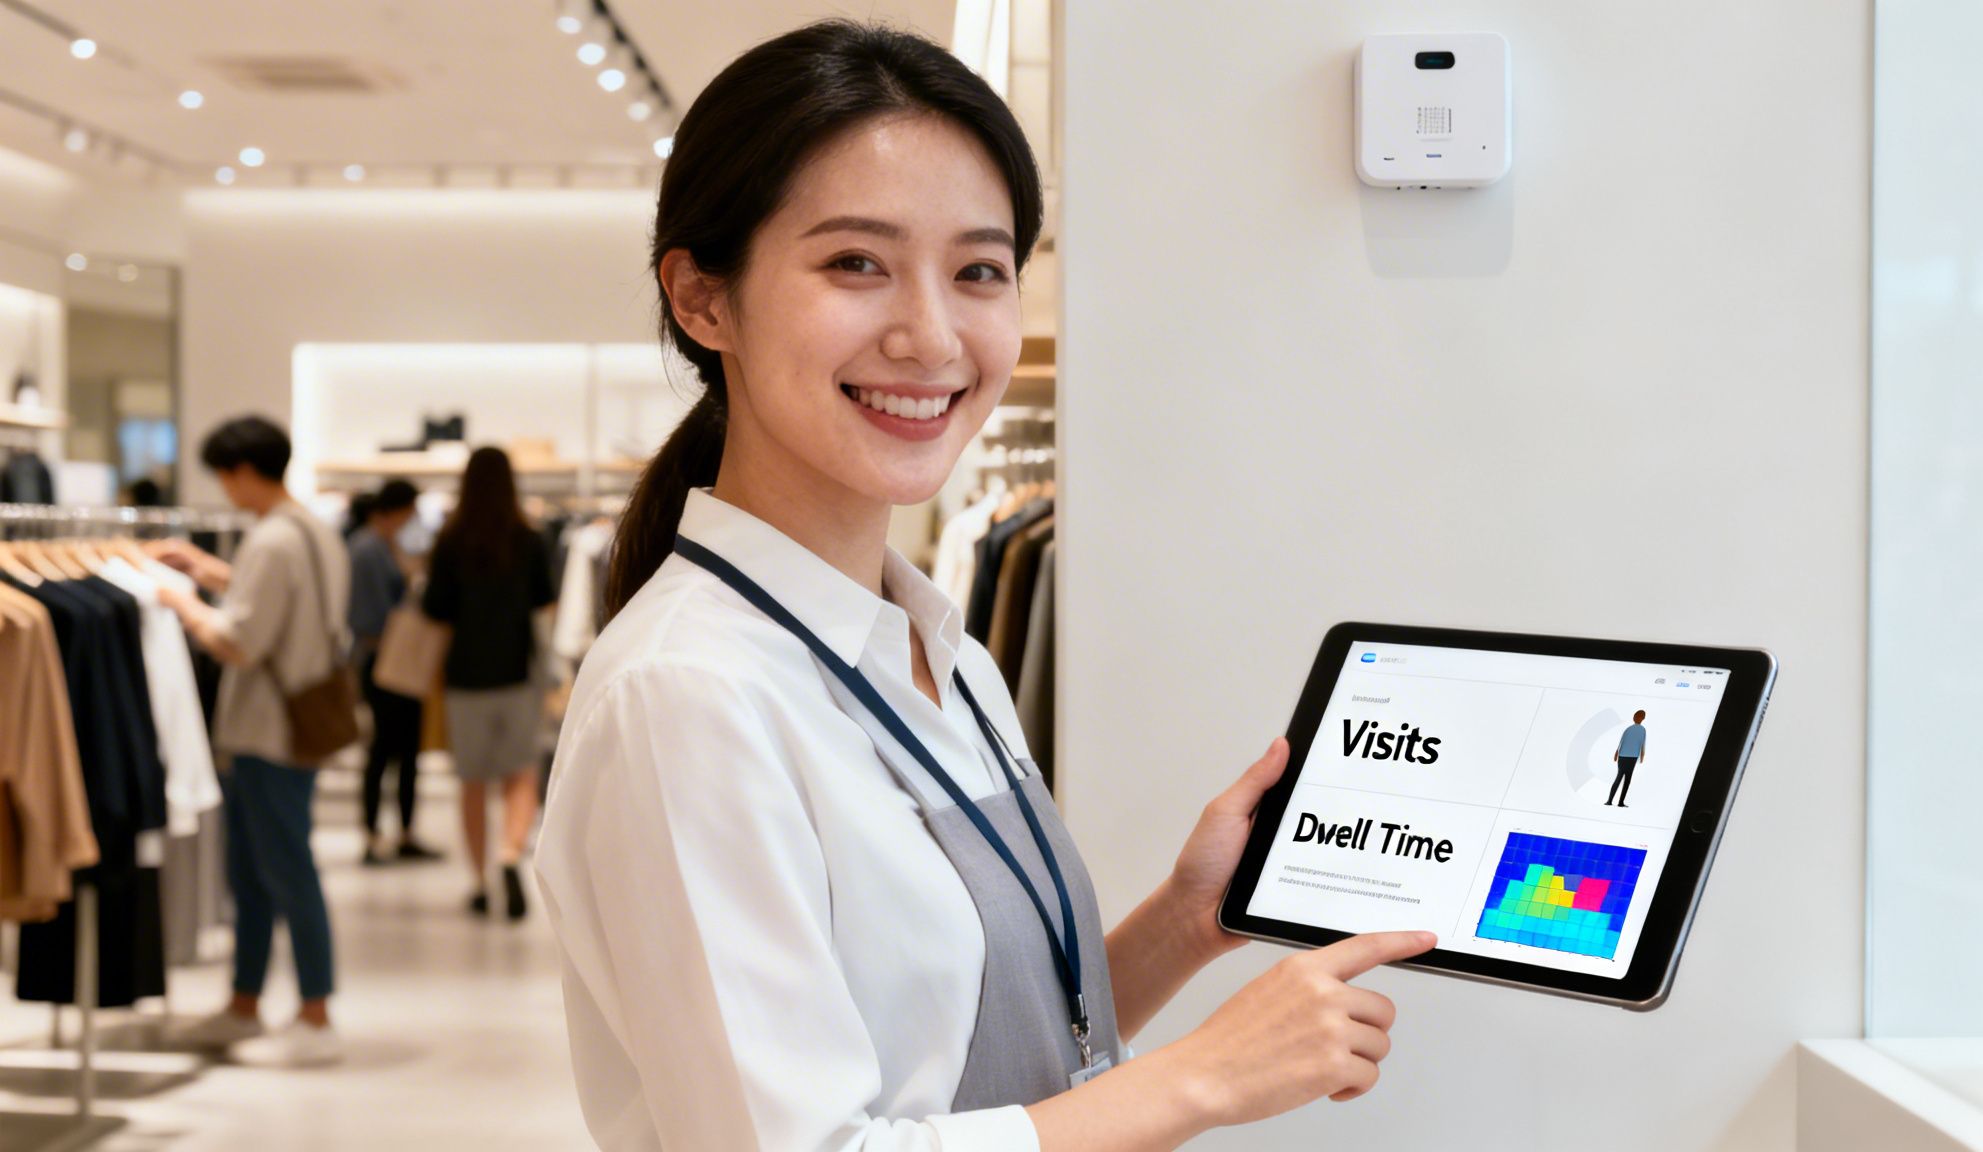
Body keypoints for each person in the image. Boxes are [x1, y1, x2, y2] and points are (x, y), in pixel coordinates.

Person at [534, 22, 1432, 1151]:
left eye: (978, 271)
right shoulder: (689, 697)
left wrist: (1181, 926)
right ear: (703, 300)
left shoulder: (938, 652)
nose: (930, 334)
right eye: (854, 262)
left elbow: (964, 1047)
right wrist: (1204, 1078)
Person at [150, 415, 345, 1068]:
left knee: (283, 869)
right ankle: (246, 999)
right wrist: (210, 573)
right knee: (260, 870)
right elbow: (279, 608)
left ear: (240, 472)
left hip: (268, 729)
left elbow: (239, 641)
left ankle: (315, 1011)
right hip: (300, 722)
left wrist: (182, 606)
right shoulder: (314, 531)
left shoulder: (270, 541)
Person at [422, 447, 556, 919]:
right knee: (520, 773)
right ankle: (509, 856)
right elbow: (544, 601)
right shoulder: (528, 538)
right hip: (517, 672)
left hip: (464, 677)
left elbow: (435, 609)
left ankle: (479, 881)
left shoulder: (451, 539)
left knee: (472, 781)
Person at [347, 479, 441, 865]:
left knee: (401, 749)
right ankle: (374, 834)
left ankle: (400, 831)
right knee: (385, 749)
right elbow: (367, 615)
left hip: (397, 659)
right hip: (384, 661)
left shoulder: (385, 545)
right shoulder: (368, 548)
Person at [1609, 709, 1649, 807]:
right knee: (1626, 779)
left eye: (1637, 716)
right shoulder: (1641, 729)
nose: (1635, 718)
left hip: (1624, 756)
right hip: (1631, 757)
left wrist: (1617, 752)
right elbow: (1642, 744)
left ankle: (1611, 801)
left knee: (1620, 777)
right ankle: (1618, 802)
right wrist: (1642, 755)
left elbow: (1623, 741)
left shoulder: (1629, 729)